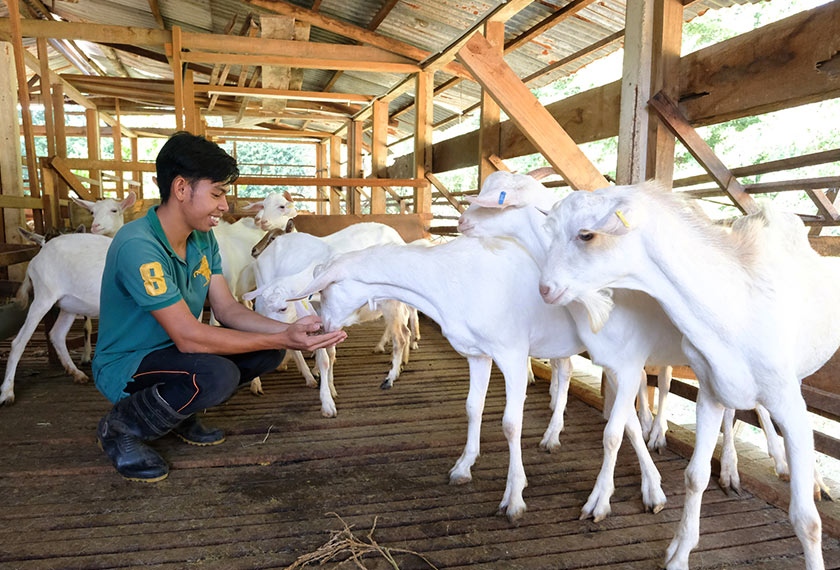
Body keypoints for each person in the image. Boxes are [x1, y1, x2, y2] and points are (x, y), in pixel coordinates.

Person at [92, 132, 346, 483]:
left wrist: (290, 332)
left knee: (268, 355)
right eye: (217, 193)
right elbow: (189, 338)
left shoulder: (202, 237)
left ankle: (177, 412)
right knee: (217, 374)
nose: (225, 206)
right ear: (181, 189)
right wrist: (280, 338)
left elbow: (226, 309)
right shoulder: (138, 244)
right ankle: (121, 426)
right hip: (128, 363)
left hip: (173, 352)